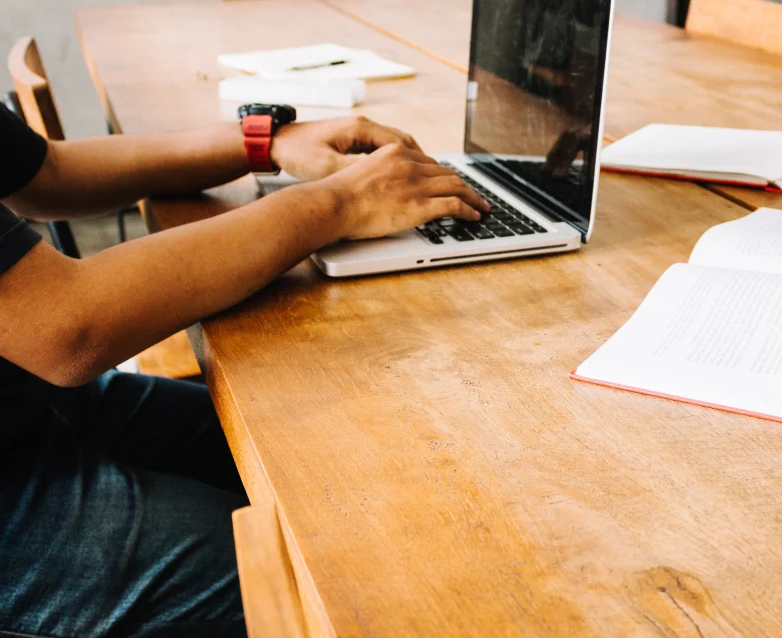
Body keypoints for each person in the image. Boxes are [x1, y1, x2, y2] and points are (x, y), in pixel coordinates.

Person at [0, 104, 489, 637]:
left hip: (40, 406)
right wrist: (341, 201)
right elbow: (68, 329)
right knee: (350, 591)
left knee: (353, 457)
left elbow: (47, 173)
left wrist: (263, 142)